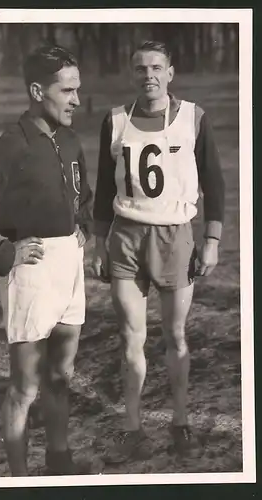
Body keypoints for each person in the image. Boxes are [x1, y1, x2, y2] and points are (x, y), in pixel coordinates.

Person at [0, 45, 93, 476]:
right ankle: (18, 479)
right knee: (26, 386)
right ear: (36, 91)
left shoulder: (68, 140)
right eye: (67, 91)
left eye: (77, 90)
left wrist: (80, 222)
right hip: (32, 270)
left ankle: (59, 464)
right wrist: (2, 253)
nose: (76, 100)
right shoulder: (12, 146)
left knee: (61, 376)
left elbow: (79, 193)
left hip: (70, 265)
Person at [92, 40, 225, 462]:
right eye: (139, 68)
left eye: (155, 67)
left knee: (175, 334)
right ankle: (132, 428)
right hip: (126, 237)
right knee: (131, 336)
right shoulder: (114, 121)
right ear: (132, 75)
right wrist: (99, 243)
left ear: (169, 73)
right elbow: (103, 189)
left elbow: (216, 184)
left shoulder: (192, 118)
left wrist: (212, 240)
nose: (147, 74)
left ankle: (180, 422)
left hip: (174, 236)